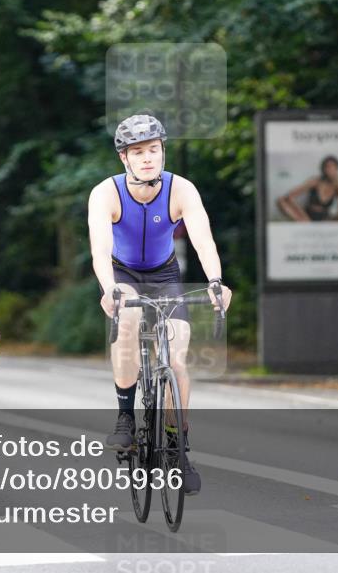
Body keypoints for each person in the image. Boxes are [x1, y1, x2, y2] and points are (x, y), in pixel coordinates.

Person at [87, 114, 233, 496]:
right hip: (123, 276)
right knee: (130, 319)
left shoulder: (181, 189)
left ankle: (178, 447)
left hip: (167, 276)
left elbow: (203, 240)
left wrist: (216, 281)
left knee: (178, 358)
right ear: (125, 158)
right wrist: (109, 289)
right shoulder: (107, 193)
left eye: (154, 149)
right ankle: (124, 417)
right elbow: (100, 249)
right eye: (139, 152)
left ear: (163, 151)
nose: (148, 158)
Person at [275, 155, 338, 222]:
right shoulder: (315, 181)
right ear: (323, 169)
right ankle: (305, 223)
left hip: (324, 218)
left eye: (333, 167)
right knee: (280, 200)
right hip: (307, 216)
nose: (330, 169)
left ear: (337, 169)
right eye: (327, 167)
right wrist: (303, 215)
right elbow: (289, 196)